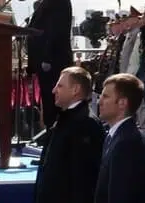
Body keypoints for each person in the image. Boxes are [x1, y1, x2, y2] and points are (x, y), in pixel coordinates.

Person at [35, 67, 104, 203]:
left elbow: (83, 179)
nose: (54, 90)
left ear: (75, 90)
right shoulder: (65, 119)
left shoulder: (85, 124)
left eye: (60, 86)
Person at [96, 72, 145, 203]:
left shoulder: (127, 143)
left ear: (122, 103)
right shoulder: (115, 137)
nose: (99, 101)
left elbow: (121, 195)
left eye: (105, 97)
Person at [27, 0, 75, 115]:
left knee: (53, 103)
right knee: (47, 103)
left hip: (52, 62)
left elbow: (55, 30)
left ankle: (54, 134)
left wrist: (46, 59)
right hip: (44, 61)